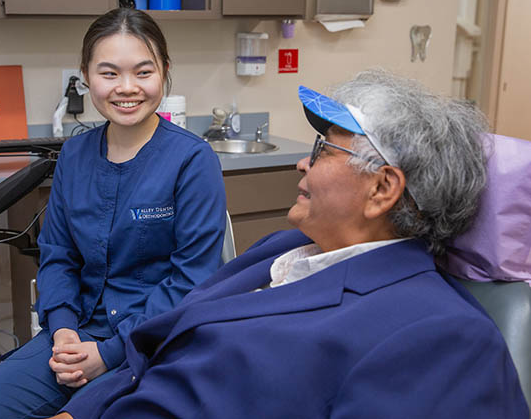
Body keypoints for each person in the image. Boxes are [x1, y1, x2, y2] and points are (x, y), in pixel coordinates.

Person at [50, 70, 529, 418]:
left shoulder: (444, 337)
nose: (303, 162)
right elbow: (157, 344)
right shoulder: (283, 250)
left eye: (325, 150)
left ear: (383, 189)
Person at [0, 8, 227, 418]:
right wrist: (63, 330)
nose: (127, 88)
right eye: (109, 73)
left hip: (153, 340)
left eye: (143, 72)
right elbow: (58, 255)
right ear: (86, 75)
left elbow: (192, 279)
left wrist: (109, 351)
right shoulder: (75, 155)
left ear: (165, 72)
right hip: (75, 331)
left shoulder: (192, 160)